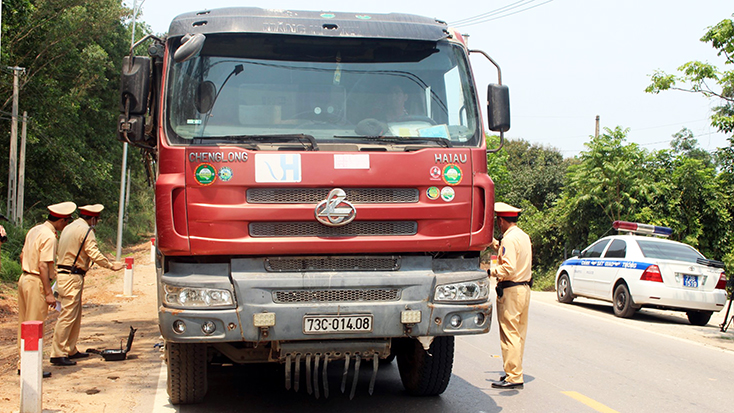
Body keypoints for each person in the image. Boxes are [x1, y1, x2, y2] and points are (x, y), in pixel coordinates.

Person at [50, 204, 124, 366]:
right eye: (96, 219)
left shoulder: (69, 227)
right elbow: (93, 252)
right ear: (92, 218)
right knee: (68, 315)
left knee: (74, 314)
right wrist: (111, 265)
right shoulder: (86, 230)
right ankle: (58, 352)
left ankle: (70, 348)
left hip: (64, 274)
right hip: (72, 276)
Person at [17, 201, 77, 377]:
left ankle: (23, 363)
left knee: (24, 323)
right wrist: (48, 293)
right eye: (66, 222)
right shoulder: (50, 237)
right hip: (36, 281)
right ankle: (30, 367)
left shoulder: (35, 230)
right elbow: (43, 265)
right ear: (61, 221)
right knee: (35, 326)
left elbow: (22, 255)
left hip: (25, 278)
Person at [488, 202, 532, 389]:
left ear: (500, 221)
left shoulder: (508, 240)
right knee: (519, 334)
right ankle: (515, 372)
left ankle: (513, 376)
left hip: (511, 290)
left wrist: (490, 271)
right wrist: (493, 243)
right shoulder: (522, 236)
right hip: (524, 289)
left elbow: (508, 267)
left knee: (509, 334)